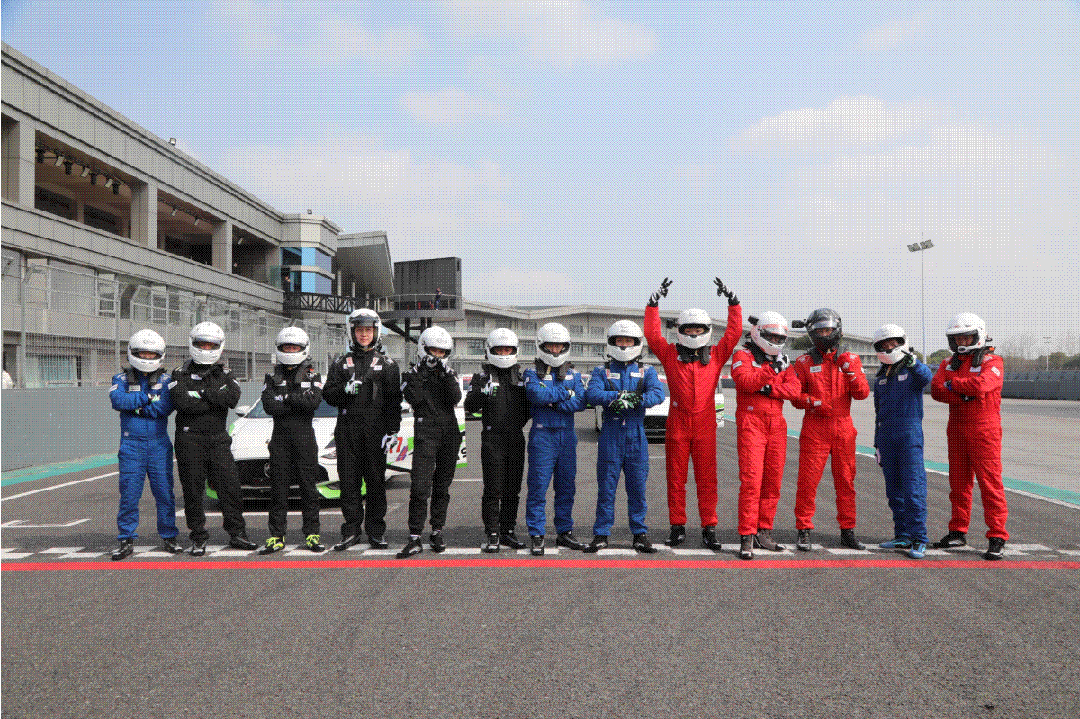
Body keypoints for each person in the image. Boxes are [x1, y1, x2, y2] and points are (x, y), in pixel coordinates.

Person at [644, 277, 743, 550]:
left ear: (707, 330)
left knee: (707, 480)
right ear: (680, 330)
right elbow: (652, 335)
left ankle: (709, 528)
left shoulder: (717, 354)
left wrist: (733, 303)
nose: (694, 332)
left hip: (705, 425)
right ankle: (677, 527)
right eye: (689, 328)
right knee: (676, 479)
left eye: (698, 328)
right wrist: (652, 306)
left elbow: (734, 333)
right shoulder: (669, 354)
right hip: (677, 423)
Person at [170, 321, 257, 556]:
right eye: (201, 344)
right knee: (193, 491)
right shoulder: (179, 373)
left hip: (218, 439)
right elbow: (182, 403)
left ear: (219, 346)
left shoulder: (226, 373)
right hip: (189, 440)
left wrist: (199, 394)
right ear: (193, 344)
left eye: (211, 345)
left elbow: (231, 399)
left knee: (230, 488)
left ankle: (237, 533)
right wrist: (213, 396)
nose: (206, 349)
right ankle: (198, 537)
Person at [790, 308, 870, 551]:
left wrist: (851, 373)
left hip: (844, 427)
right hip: (815, 427)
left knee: (846, 482)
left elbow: (863, 393)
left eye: (828, 330)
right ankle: (804, 529)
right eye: (820, 331)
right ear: (812, 333)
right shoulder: (803, 362)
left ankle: (848, 531)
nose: (824, 334)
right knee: (807, 482)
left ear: (836, 330)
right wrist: (813, 402)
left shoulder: (851, 359)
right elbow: (794, 396)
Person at [583, 320, 666, 553]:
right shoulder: (601, 371)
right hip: (611, 434)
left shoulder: (647, 371)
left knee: (637, 489)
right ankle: (601, 534)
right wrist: (617, 397)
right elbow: (592, 394)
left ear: (636, 343)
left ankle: (639, 534)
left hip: (636, 433)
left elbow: (657, 394)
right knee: (606, 488)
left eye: (628, 341)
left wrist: (636, 399)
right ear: (612, 342)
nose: (623, 345)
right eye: (619, 340)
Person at [323, 308, 402, 551]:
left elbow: (393, 401)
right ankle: (351, 531)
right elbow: (328, 395)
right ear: (352, 332)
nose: (364, 334)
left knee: (376, 483)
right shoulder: (339, 363)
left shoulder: (388, 364)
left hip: (376, 432)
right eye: (359, 330)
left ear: (376, 332)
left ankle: (376, 532)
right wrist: (343, 390)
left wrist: (393, 431)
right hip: (347, 431)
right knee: (349, 484)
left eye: (368, 330)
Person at [930, 313, 1008, 560]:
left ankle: (997, 535)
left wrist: (953, 385)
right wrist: (964, 393)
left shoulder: (993, 361)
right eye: (957, 338)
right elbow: (936, 390)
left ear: (978, 335)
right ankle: (957, 531)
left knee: (990, 484)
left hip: (984, 430)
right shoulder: (948, 363)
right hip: (956, 429)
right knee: (958, 485)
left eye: (966, 336)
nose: (962, 341)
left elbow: (983, 385)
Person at [730, 312, 801, 560]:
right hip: (751, 422)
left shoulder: (783, 360)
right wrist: (771, 371)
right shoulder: (743, 355)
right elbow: (745, 382)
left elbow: (795, 389)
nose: (775, 341)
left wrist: (770, 389)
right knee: (751, 481)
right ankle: (747, 535)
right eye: (771, 336)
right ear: (759, 333)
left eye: (779, 338)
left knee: (773, 482)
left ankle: (764, 531)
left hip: (776, 424)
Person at [108, 329, 182, 560]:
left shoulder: (166, 380)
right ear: (133, 352)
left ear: (159, 355)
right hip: (131, 445)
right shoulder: (120, 379)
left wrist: (136, 407)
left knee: (164, 493)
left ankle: (169, 537)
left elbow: (164, 408)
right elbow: (118, 401)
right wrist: (148, 398)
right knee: (129, 495)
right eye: (143, 353)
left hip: (159, 444)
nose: (148, 358)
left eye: (152, 354)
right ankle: (126, 539)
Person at [397, 326, 463, 558]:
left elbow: (455, 397)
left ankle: (437, 531)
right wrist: (423, 372)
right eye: (433, 351)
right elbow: (414, 398)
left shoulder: (450, 373)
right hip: (425, 432)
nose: (437, 356)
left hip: (449, 433)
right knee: (420, 486)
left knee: (442, 486)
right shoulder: (410, 375)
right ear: (423, 349)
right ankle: (415, 536)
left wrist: (444, 372)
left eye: (442, 352)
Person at [259, 326, 326, 554]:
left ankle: (312, 534)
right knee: (278, 490)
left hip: (305, 438)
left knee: (309, 488)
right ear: (279, 348)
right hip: (280, 439)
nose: (290, 351)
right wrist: (296, 399)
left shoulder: (313, 375)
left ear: (303, 349)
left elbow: (312, 403)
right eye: (286, 347)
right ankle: (276, 536)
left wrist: (285, 397)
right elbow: (269, 406)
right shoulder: (272, 376)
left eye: (294, 347)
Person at [523, 322, 588, 555]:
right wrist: (565, 393)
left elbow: (581, 401)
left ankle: (564, 531)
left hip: (567, 437)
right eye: (550, 346)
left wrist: (555, 402)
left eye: (559, 346)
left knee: (566, 488)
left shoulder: (574, 374)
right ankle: (537, 534)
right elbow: (536, 395)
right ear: (542, 346)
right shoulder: (531, 372)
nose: (555, 350)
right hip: (543, 436)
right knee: (538, 487)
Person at [464, 328, 531, 552]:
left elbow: (528, 409)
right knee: (493, 488)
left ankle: (508, 530)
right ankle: (492, 532)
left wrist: (516, 423)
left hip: (515, 437)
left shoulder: (521, 378)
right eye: (499, 350)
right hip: (492, 439)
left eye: (507, 350)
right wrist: (482, 392)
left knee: (513, 488)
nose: (503, 354)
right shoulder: (481, 378)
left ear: (514, 351)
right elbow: (470, 407)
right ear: (490, 351)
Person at [872, 324, 934, 559]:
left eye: (893, 343)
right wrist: (877, 443)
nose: (889, 348)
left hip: (909, 436)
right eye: (884, 345)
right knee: (894, 490)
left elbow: (927, 377)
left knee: (913, 488)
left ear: (902, 343)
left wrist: (914, 363)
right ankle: (902, 534)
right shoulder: (880, 376)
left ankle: (919, 538)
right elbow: (879, 413)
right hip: (886, 437)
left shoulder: (913, 371)